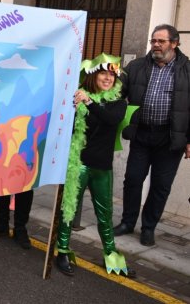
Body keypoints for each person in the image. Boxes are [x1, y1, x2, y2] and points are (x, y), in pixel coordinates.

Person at [55, 54, 134, 277]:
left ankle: (110, 253)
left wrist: (89, 103)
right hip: (78, 164)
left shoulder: (118, 103)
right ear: (93, 76)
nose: (108, 78)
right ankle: (61, 251)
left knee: (105, 213)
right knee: (69, 209)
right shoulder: (77, 98)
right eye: (103, 73)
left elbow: (110, 120)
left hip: (102, 167)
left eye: (112, 75)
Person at [113, 24, 190, 247]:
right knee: (133, 180)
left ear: (174, 43)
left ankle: (148, 228)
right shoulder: (136, 66)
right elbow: (117, 92)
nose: (155, 45)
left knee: (160, 185)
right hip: (141, 134)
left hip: (170, 138)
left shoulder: (187, 70)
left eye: (161, 41)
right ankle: (127, 222)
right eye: (153, 41)